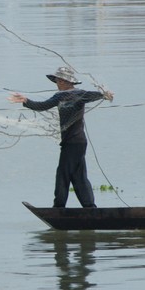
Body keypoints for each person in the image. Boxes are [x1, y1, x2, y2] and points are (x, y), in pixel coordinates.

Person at [10, 66, 114, 209]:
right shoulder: (75, 95)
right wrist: (26, 100)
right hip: (77, 142)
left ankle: (59, 208)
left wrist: (104, 95)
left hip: (72, 143)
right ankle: (89, 207)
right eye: (56, 80)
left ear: (66, 82)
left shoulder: (64, 95)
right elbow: (43, 106)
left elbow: (43, 106)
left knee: (63, 175)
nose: (57, 83)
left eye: (59, 80)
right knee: (78, 176)